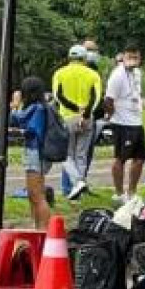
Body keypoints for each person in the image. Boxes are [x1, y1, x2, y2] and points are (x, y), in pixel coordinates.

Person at [52, 44, 103, 201]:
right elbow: (97, 97)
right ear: (84, 58)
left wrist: (74, 109)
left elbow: (57, 96)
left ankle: (77, 183)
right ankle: (78, 190)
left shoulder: (59, 73)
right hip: (86, 119)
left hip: (67, 118)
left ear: (69, 57)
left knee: (66, 155)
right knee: (81, 155)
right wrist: (86, 112)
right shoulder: (93, 74)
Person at [104, 45, 145, 204]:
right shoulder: (117, 75)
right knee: (120, 158)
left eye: (136, 57)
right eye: (130, 56)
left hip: (137, 121)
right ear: (123, 57)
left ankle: (132, 192)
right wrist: (111, 116)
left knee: (140, 158)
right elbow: (108, 100)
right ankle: (119, 193)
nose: (133, 60)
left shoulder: (137, 73)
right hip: (122, 123)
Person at [9, 76, 53, 229]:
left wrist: (15, 106)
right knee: (33, 195)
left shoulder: (38, 108)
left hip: (36, 153)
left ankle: (44, 229)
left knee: (37, 195)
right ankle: (38, 227)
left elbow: (22, 122)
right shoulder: (37, 107)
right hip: (34, 152)